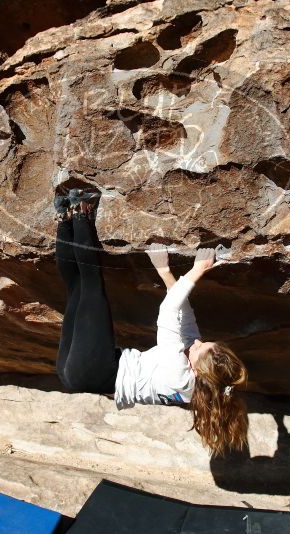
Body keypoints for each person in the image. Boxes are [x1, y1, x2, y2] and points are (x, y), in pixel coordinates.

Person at [53, 188, 249, 457]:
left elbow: (168, 311)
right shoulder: (198, 378)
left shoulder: (178, 376)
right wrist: (165, 272)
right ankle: (65, 215)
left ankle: (81, 210)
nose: (197, 343)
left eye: (199, 349)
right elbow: (185, 318)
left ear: (196, 369)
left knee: (91, 283)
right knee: (75, 288)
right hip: (77, 374)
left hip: (96, 369)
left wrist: (197, 269)